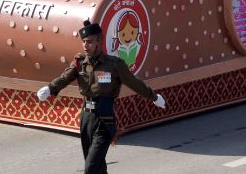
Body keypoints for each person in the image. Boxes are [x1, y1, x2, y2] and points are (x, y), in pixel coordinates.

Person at [35, 19, 165, 174]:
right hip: (86, 118)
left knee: (91, 167)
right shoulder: (79, 63)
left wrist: (154, 97)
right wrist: (50, 89)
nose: (85, 45)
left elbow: (134, 82)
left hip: (105, 120)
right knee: (98, 168)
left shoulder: (114, 64)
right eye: (83, 42)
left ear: (99, 42)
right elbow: (64, 78)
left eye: (89, 42)